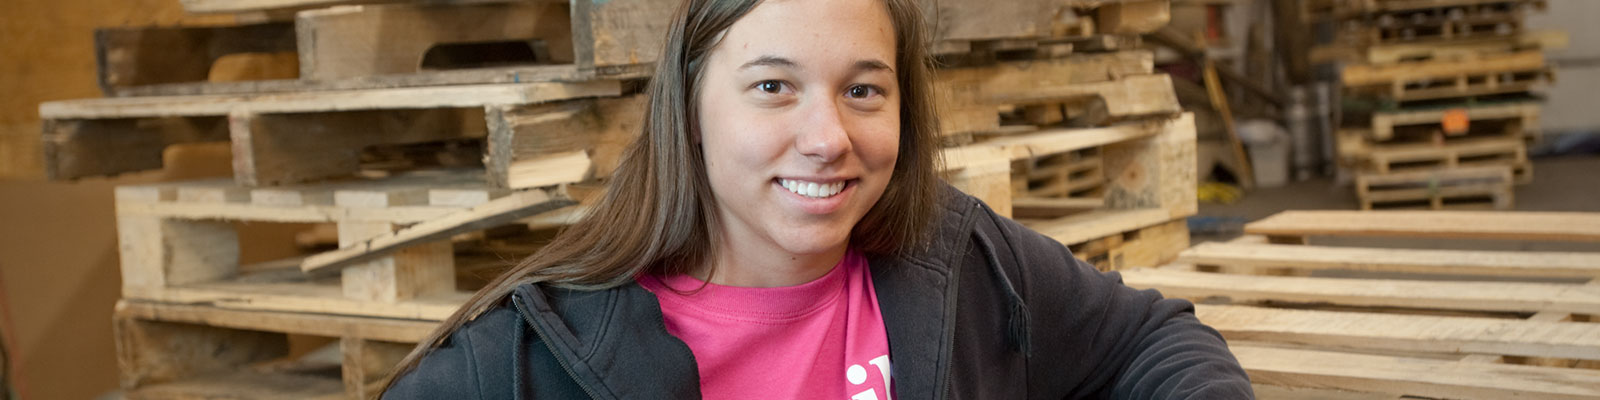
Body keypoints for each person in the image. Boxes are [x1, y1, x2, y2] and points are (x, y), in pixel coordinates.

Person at [382, 0, 1253, 398]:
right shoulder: (530, 361)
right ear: (688, 112)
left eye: (864, 91)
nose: (827, 137)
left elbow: (1152, 339)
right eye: (772, 88)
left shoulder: (958, 258)